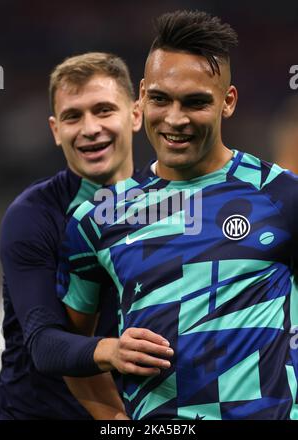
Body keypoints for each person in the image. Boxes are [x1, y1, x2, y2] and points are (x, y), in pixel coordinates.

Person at [58, 10, 298, 420]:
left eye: (196, 102)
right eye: (160, 99)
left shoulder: (282, 196)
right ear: (141, 97)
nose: (175, 119)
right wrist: (114, 420)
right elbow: (67, 342)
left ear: (228, 102)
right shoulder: (98, 218)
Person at [0, 52, 145, 419]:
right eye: (72, 116)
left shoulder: (166, 207)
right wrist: (113, 351)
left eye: (104, 110)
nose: (89, 128)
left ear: (136, 115)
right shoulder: (32, 217)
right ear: (55, 130)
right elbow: (44, 344)